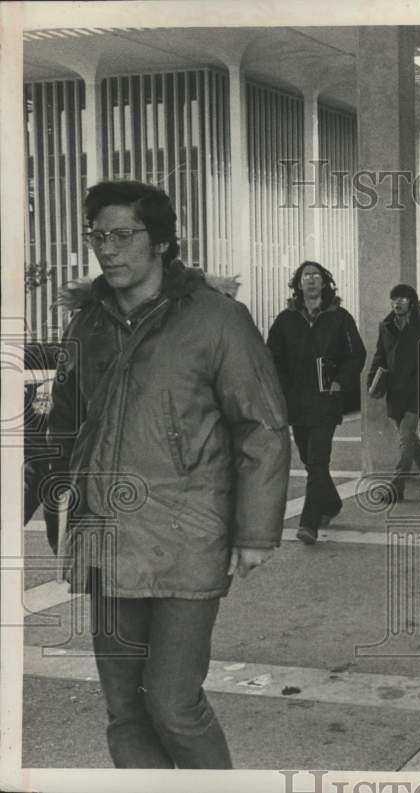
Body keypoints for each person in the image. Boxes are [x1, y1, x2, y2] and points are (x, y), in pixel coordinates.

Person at [46, 180, 290, 768]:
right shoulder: (89, 325)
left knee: (174, 703)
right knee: (124, 710)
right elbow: (59, 429)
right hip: (106, 538)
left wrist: (255, 533)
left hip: (187, 537)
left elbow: (263, 425)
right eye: (98, 236)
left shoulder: (216, 319)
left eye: (123, 235)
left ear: (160, 241)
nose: (108, 249)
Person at [267, 261, 366, 545]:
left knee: (318, 459)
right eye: (305, 276)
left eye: (316, 276)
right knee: (311, 462)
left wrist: (340, 381)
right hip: (297, 402)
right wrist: (282, 386)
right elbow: (272, 356)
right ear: (298, 284)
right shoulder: (286, 320)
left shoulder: (340, 317)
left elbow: (355, 354)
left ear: (325, 283)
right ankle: (332, 503)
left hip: (326, 400)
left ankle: (308, 523)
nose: (310, 280)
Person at [367, 283, 420, 502]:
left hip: (416, 388)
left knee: (405, 437)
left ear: (411, 301)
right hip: (394, 389)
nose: (397, 302)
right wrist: (373, 379)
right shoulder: (386, 325)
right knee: (407, 437)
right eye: (394, 299)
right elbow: (380, 355)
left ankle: (396, 486)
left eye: (402, 298)